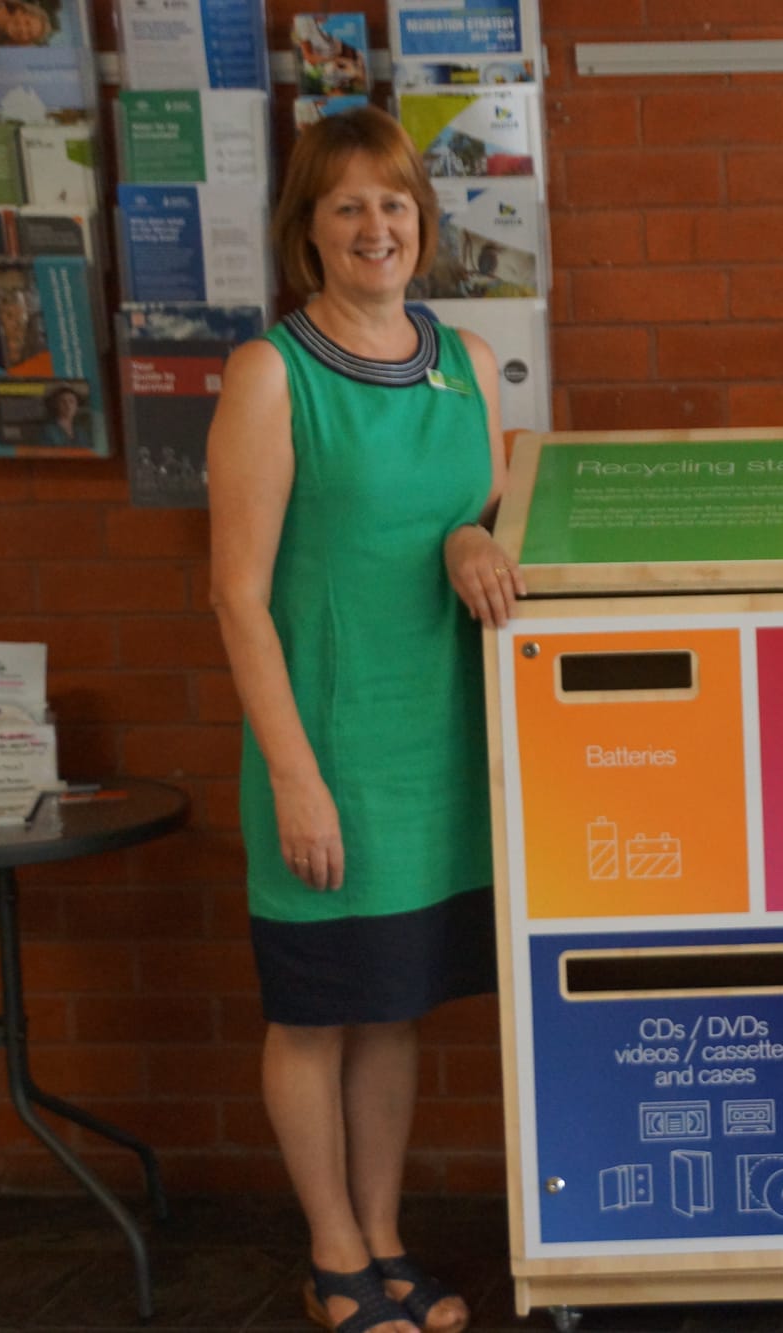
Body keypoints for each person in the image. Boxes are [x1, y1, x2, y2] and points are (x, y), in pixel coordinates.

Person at [208, 106, 523, 1333]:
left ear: (422, 224)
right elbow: (236, 595)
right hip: (327, 749)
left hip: (438, 753)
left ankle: (386, 1234)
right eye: (345, 206)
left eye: (392, 203)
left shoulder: (466, 359)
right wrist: (293, 776)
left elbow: (484, 521)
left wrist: (464, 537)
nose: (373, 225)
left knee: (392, 1003)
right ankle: (332, 1251)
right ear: (308, 232)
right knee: (315, 1009)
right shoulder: (271, 373)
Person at [40, 382, 85, 447]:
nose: (68, 406)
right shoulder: (47, 431)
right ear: (55, 405)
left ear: (77, 406)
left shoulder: (81, 432)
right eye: (62, 401)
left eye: (71, 401)